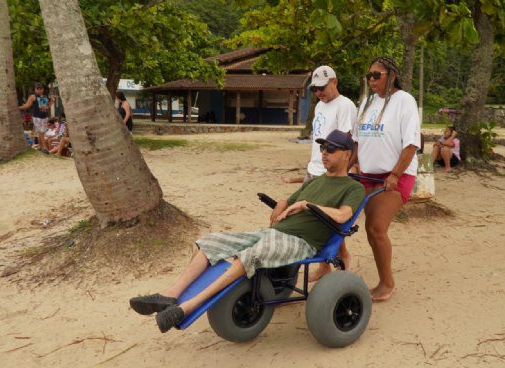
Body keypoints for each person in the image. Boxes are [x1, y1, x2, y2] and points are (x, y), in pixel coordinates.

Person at [129, 130, 365, 333]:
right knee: (209, 243)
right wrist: (282, 204)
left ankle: (186, 307)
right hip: (274, 234)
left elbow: (344, 215)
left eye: (331, 149)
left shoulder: (353, 187)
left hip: (302, 241)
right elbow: (289, 199)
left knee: (249, 257)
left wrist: (307, 205)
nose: (324, 152)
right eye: (322, 147)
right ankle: (170, 295)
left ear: (346, 154)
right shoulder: (316, 181)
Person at [352, 56, 421, 302]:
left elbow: (412, 143)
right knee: (360, 225)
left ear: (391, 75)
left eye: (376, 75)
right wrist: (347, 166)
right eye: (369, 75)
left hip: (396, 175)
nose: (371, 79)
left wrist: (395, 174)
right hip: (366, 174)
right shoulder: (366, 103)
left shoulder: (405, 101)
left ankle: (386, 283)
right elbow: (357, 141)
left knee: (376, 228)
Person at [304, 65, 358, 281]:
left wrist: (340, 173)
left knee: (328, 221)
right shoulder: (319, 106)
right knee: (315, 220)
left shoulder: (345, 105)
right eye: (314, 89)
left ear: (334, 81)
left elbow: (345, 142)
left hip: (330, 171)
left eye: (322, 88)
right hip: (314, 167)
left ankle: (341, 257)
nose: (318, 93)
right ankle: (324, 263)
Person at [19, 82, 56, 152]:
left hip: (44, 117)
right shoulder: (33, 96)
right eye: (37, 88)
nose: (39, 90)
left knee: (41, 132)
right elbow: (27, 105)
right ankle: (45, 148)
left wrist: (52, 101)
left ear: (43, 89)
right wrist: (17, 107)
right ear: (35, 89)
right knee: (41, 132)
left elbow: (48, 106)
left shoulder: (45, 97)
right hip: (37, 117)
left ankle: (41, 146)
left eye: (41, 88)